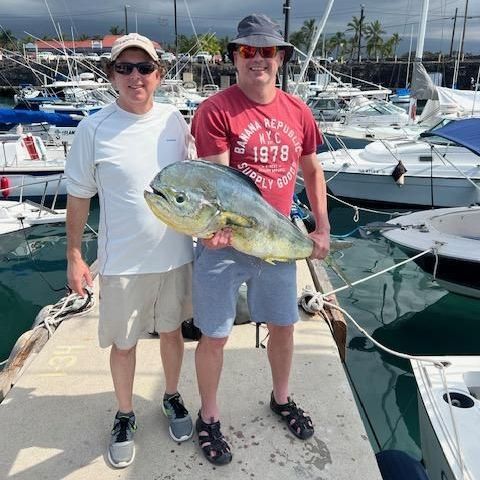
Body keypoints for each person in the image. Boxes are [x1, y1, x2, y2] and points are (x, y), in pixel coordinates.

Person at [190, 14, 330, 465]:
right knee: (214, 334)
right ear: (235, 57)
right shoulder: (215, 110)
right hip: (225, 246)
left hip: (277, 242)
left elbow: (312, 171)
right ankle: (209, 416)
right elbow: (218, 187)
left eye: (267, 51)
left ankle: (281, 398)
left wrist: (321, 226)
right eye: (248, 51)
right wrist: (211, 233)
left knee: (283, 325)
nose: (258, 60)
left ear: (281, 58)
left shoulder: (298, 111)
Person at [65, 33, 195, 469]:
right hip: (122, 263)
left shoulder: (176, 120)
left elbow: (197, 183)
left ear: (158, 75)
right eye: (125, 68)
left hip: (177, 256)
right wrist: (74, 255)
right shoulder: (93, 127)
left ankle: (172, 397)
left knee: (174, 332)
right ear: (111, 74)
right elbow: (80, 196)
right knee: (123, 345)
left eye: (145, 68)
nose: (135, 76)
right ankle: (125, 415)